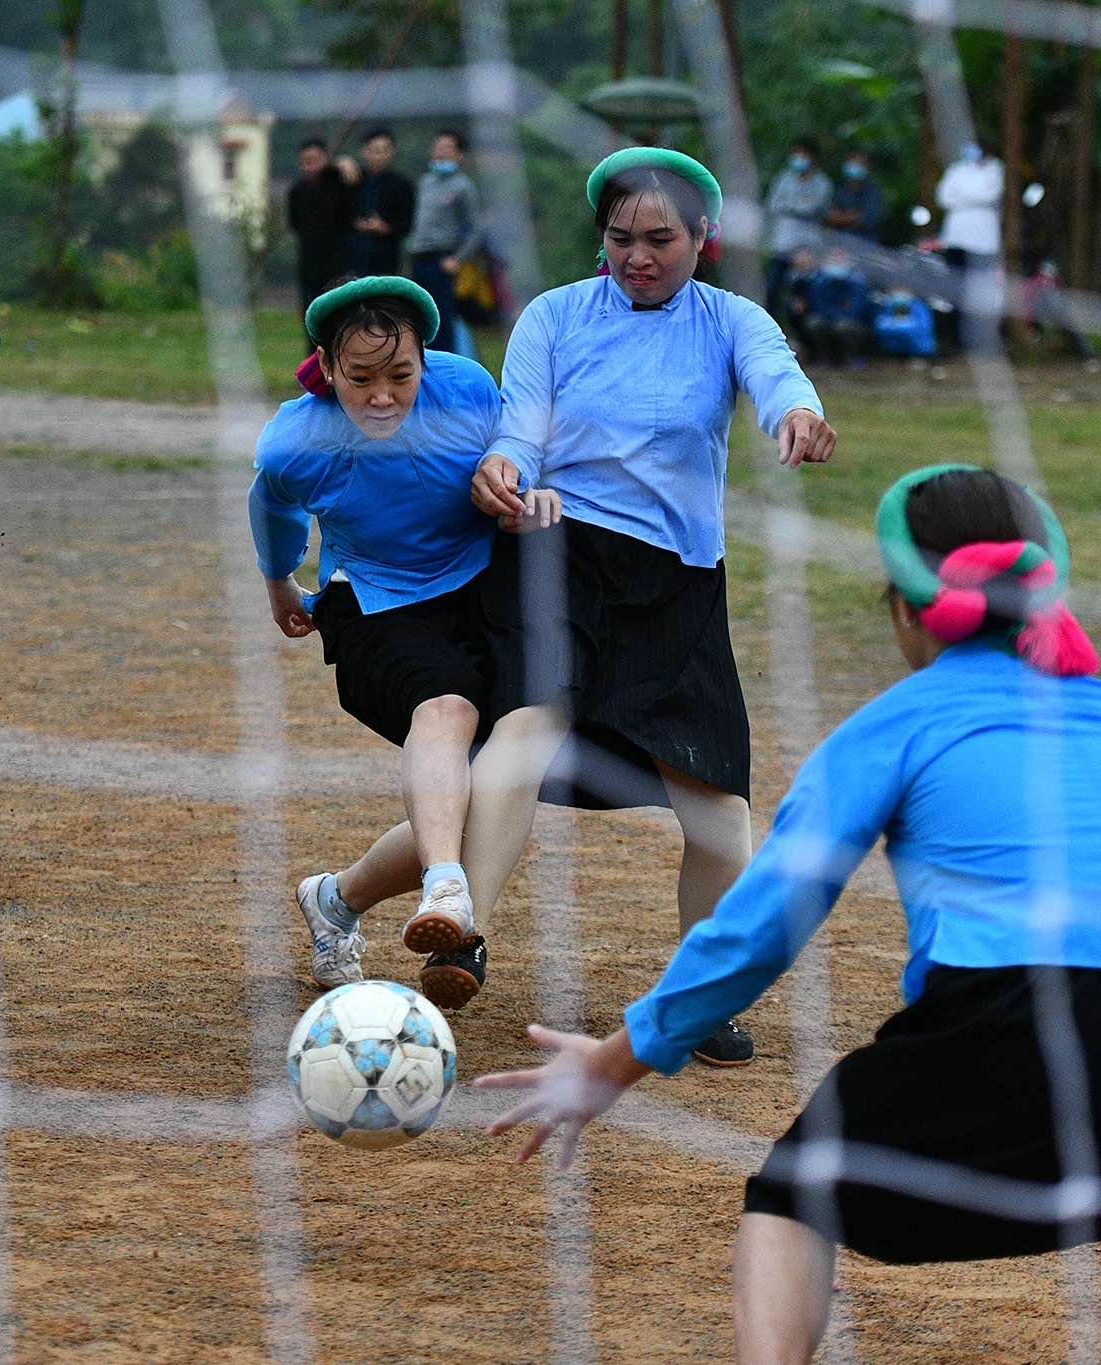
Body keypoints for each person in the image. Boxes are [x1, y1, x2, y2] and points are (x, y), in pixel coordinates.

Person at [478, 464, 1101, 1365]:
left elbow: (762, 924)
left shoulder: (897, 721)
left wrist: (618, 1058)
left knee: (795, 1190)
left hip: (1017, 1020)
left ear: (905, 608)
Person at [468, 148, 837, 1066]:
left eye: (660, 239)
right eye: (622, 237)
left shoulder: (729, 320)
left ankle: (699, 1001)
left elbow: (775, 372)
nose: (639, 255)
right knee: (526, 732)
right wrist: (507, 466)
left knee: (721, 820)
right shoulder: (553, 316)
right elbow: (520, 425)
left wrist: (797, 411)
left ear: (702, 240)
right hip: (561, 553)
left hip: (675, 583)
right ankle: (459, 933)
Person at [253, 276, 557, 1007]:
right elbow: (273, 507)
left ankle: (336, 899)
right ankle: (448, 886)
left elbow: (519, 449)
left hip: (483, 595)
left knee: (488, 789)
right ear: (326, 368)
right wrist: (281, 587)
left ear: (428, 359)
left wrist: (525, 488)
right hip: (374, 602)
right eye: (360, 378)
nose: (382, 396)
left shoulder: (469, 389)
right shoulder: (297, 438)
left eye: (401, 375)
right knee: (446, 710)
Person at [405, 130, 484, 358]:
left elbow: (476, 230)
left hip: (442, 259)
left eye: (447, 147)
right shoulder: (425, 182)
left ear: (459, 155)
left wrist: (457, 260)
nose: (441, 152)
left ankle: (445, 369)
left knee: (440, 320)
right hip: (420, 258)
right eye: (438, 146)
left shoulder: (463, 187)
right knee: (418, 317)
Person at [935, 140, 1005, 352]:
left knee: (981, 292)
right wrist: (974, 197)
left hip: (985, 241)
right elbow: (944, 198)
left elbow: (992, 196)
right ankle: (956, 340)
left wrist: (962, 196)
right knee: (956, 288)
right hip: (956, 238)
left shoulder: (998, 169)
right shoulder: (957, 169)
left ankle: (981, 339)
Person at [762, 139, 831, 321]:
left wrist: (788, 204)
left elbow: (812, 208)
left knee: (800, 296)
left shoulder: (822, 183)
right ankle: (767, 332)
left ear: (813, 157)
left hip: (806, 248)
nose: (798, 158)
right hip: (781, 244)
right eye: (795, 153)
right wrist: (798, 204)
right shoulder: (784, 178)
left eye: (802, 154)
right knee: (771, 290)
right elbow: (772, 204)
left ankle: (800, 336)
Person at [286, 138, 353, 324]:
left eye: (314, 160)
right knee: (312, 319)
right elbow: (296, 225)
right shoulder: (298, 191)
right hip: (309, 265)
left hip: (338, 264)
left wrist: (344, 165)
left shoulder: (340, 184)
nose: (310, 166)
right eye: (305, 161)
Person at [345, 127, 416, 277]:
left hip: (385, 262)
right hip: (352, 259)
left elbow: (407, 224)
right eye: (376, 150)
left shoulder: (402, 185)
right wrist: (341, 163)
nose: (381, 155)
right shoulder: (354, 180)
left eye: (385, 150)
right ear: (364, 151)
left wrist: (385, 228)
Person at [788, 248, 874, 369]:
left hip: (853, 325)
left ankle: (850, 357)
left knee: (842, 327)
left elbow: (855, 312)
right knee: (813, 323)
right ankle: (823, 357)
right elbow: (816, 307)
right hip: (828, 320)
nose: (836, 264)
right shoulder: (818, 282)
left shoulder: (858, 283)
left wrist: (832, 313)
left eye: (840, 260)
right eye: (833, 260)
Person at [820, 149, 885, 245]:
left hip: (865, 243)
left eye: (859, 164)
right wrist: (850, 216)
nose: (855, 166)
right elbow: (830, 216)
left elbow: (867, 218)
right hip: (839, 242)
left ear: (867, 167)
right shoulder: (839, 189)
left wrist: (842, 217)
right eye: (852, 162)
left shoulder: (873, 192)